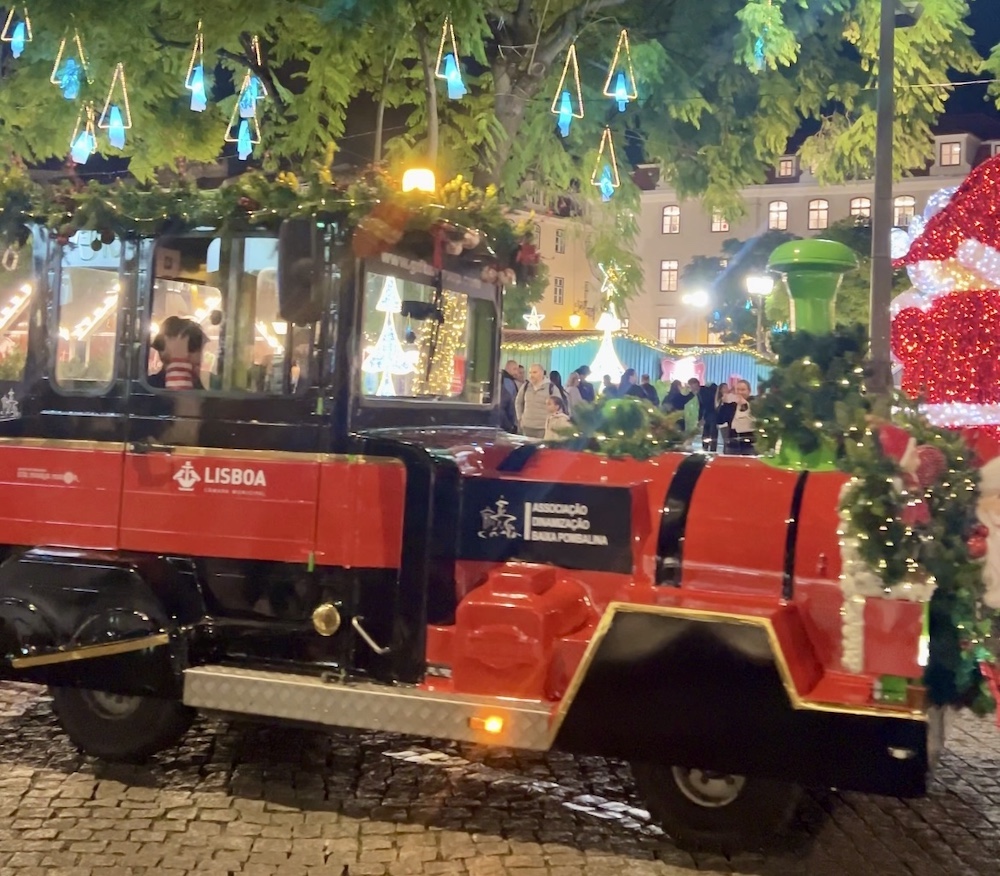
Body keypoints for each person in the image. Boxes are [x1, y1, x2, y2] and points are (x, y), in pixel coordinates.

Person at [718, 379, 756, 455]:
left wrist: (744, 404)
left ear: (749, 391)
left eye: (743, 390)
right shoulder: (731, 405)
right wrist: (724, 404)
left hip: (749, 445)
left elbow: (753, 419)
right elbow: (720, 420)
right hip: (732, 444)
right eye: (738, 390)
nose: (740, 392)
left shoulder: (755, 405)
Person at [515, 363, 551, 438]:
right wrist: (520, 418)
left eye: (534, 372)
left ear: (541, 373)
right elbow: (518, 402)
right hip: (526, 427)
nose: (531, 375)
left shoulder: (551, 388)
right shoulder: (525, 386)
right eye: (530, 372)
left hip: (543, 428)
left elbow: (558, 405)